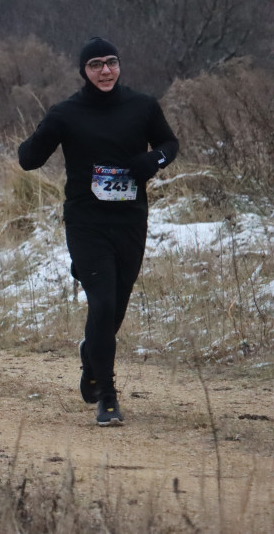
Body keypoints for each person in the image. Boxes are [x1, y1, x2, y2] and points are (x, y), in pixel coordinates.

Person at [18, 37, 179, 427]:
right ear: (84, 71)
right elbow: (28, 159)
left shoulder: (141, 106)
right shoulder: (66, 113)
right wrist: (44, 133)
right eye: (95, 65)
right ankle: (107, 396)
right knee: (103, 304)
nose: (105, 71)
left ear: (119, 66)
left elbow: (169, 143)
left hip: (130, 221)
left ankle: (91, 356)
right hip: (86, 223)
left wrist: (152, 160)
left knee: (115, 308)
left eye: (111, 62)